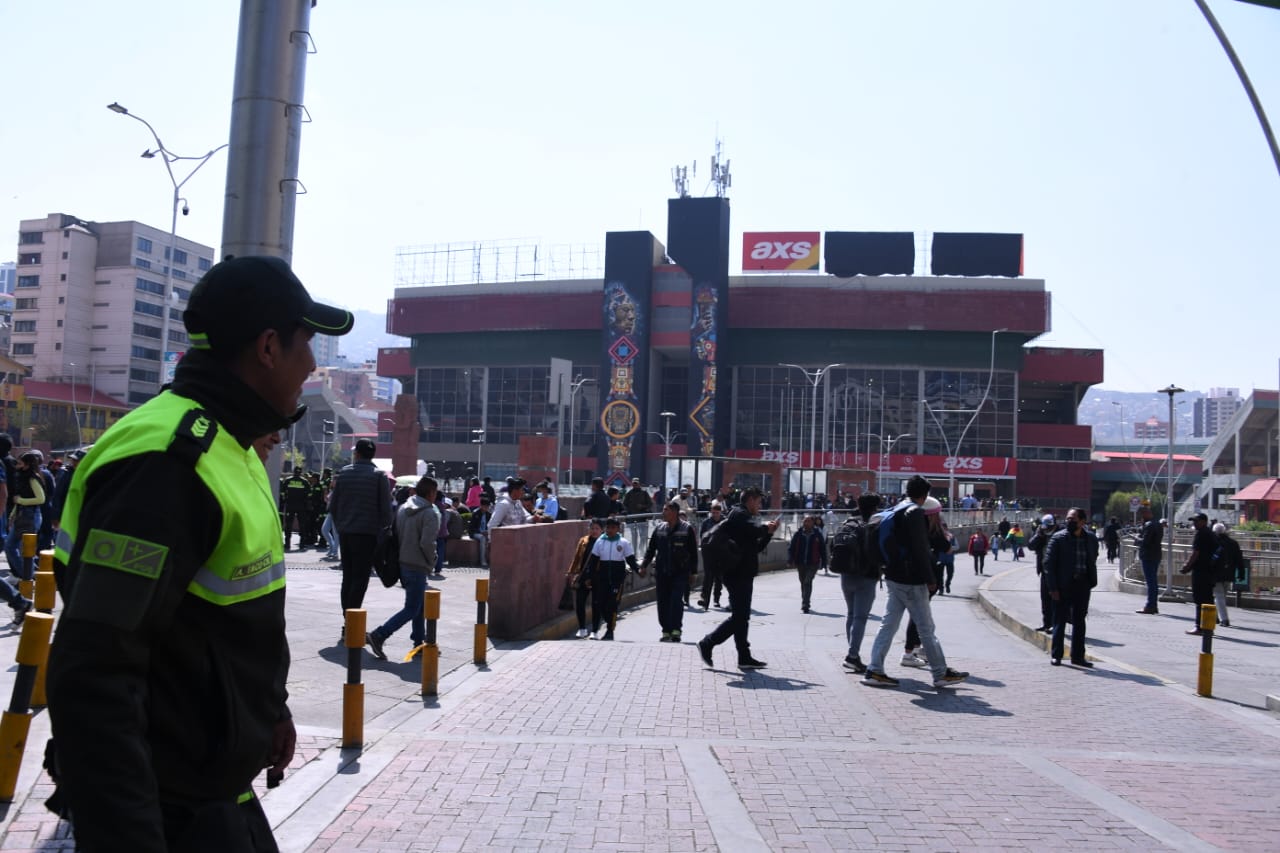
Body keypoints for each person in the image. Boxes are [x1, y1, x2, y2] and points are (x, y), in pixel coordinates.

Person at [46, 254, 354, 850]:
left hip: (218, 794)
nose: (312, 365)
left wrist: (270, 709)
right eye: (307, 343)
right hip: (168, 810)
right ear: (268, 347)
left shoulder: (229, 446)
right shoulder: (166, 463)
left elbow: (221, 621)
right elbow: (95, 672)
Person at [862, 476, 969, 689]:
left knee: (889, 624)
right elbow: (920, 550)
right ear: (924, 495)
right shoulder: (915, 513)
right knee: (926, 628)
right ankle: (940, 673)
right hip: (912, 580)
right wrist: (930, 579)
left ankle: (874, 669)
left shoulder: (896, 510)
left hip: (892, 576)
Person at [696, 486, 778, 669]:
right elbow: (755, 529)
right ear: (749, 500)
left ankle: (744, 656)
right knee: (740, 617)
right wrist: (765, 528)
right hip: (736, 573)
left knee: (742, 616)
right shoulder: (739, 515)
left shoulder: (745, 518)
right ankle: (707, 643)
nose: (760, 505)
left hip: (743, 572)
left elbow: (755, 547)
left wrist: (769, 534)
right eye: (758, 501)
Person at [365, 476, 441, 661]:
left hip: (403, 561)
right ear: (431, 493)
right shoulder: (429, 513)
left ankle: (418, 642)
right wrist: (433, 561)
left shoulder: (404, 508)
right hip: (418, 564)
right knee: (412, 608)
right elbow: (427, 543)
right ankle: (380, 634)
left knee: (419, 606)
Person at [328, 437, 393, 643]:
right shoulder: (379, 477)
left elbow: (333, 506)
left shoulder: (344, 474)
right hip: (367, 536)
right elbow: (386, 512)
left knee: (347, 577)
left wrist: (342, 526)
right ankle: (351, 624)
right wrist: (381, 532)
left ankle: (347, 621)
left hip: (346, 533)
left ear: (357, 454)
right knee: (360, 579)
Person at [1042, 506, 1099, 666]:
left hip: (1082, 585)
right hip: (1062, 586)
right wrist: (1052, 588)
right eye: (1068, 518)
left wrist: (1089, 581)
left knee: (1079, 621)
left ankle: (1078, 656)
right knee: (1059, 621)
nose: (1069, 521)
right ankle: (1057, 655)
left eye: (1072, 519)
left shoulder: (1091, 539)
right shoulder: (1058, 538)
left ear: (1082, 521)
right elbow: (1048, 564)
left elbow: (1093, 558)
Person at [640, 501, 699, 642]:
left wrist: (693, 572)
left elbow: (693, 552)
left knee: (675, 601)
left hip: (680, 572)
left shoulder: (687, 528)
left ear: (674, 512)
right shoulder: (660, 528)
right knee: (663, 602)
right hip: (662, 572)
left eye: (666, 510)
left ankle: (676, 630)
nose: (663, 512)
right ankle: (665, 630)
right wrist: (643, 565)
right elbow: (651, 549)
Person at [841, 493, 882, 674]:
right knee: (860, 618)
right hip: (867, 576)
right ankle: (852, 656)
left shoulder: (849, 523)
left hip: (846, 574)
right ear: (875, 508)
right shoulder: (875, 525)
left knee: (851, 614)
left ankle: (854, 655)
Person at [583, 516, 638, 640]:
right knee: (601, 604)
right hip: (602, 578)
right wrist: (589, 577)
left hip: (617, 579)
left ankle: (610, 630)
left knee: (612, 604)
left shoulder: (623, 542)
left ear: (618, 528)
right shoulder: (600, 541)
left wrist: (638, 570)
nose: (610, 530)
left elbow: (630, 559)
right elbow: (593, 561)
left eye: (613, 528)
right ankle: (609, 622)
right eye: (608, 527)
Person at [5, 450, 46, 583]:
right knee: (11, 546)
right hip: (22, 515)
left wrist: (21, 501)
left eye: (20, 463)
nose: (17, 465)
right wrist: (13, 514)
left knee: (24, 550)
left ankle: (27, 577)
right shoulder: (22, 476)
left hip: (31, 516)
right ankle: (27, 575)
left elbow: (41, 499)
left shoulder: (32, 478)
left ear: (27, 464)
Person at [1180, 512, 1217, 635]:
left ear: (1204, 521)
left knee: (1199, 599)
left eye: (1196, 521)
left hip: (1201, 571)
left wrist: (1187, 566)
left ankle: (1199, 627)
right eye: (1193, 521)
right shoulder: (1211, 534)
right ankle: (1208, 627)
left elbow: (1196, 553)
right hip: (1210, 571)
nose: (1194, 523)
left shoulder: (1201, 535)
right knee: (1208, 599)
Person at [566, 519, 603, 638]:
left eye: (597, 528)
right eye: (592, 528)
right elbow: (576, 558)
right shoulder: (583, 541)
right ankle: (582, 628)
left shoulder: (604, 542)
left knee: (596, 604)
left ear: (601, 530)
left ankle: (595, 630)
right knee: (580, 602)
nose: (594, 531)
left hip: (597, 576)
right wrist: (571, 571)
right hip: (583, 575)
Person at [1026, 514, 1059, 632]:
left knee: (1055, 599)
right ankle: (1046, 623)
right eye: (1045, 527)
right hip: (1045, 571)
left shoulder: (1061, 533)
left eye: (1049, 527)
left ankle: (1056, 625)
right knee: (1045, 599)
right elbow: (1030, 546)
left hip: (1058, 572)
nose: (1047, 530)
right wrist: (1038, 535)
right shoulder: (1041, 534)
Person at [788, 515, 827, 613]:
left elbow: (823, 549)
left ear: (813, 523)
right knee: (803, 582)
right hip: (800, 562)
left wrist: (824, 562)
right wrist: (790, 560)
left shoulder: (817, 534)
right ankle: (804, 600)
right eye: (805, 521)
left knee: (807, 581)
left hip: (813, 563)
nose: (806, 523)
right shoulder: (798, 534)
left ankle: (806, 603)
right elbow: (791, 547)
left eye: (809, 521)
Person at [1210, 522, 1243, 628]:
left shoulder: (1213, 543)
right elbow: (1239, 560)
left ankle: (1224, 619)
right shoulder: (1233, 543)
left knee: (1219, 596)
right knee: (1222, 595)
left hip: (1216, 573)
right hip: (1229, 573)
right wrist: (1241, 573)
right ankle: (1215, 617)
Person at [696, 501, 726, 609]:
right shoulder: (706, 523)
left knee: (719, 577)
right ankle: (705, 599)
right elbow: (702, 536)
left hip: (721, 553)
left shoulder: (725, 522)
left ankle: (716, 599)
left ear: (720, 512)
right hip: (708, 552)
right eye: (713, 513)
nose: (714, 515)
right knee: (708, 576)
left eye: (716, 513)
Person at [1135, 509, 1164, 615]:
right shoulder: (1158, 524)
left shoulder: (1149, 525)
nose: (1141, 517)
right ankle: (1153, 605)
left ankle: (1150, 605)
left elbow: (1146, 541)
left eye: (1142, 514)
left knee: (1151, 582)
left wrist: (1137, 538)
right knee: (1153, 581)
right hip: (1156, 555)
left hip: (1148, 555)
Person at [280, 465, 310, 551]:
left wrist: (285, 499)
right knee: (302, 525)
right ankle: (302, 544)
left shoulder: (288, 480)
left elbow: (282, 492)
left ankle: (287, 544)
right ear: (301, 473)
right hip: (301, 507)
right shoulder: (304, 482)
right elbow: (309, 495)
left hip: (290, 505)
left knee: (288, 525)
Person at [469, 495, 493, 567]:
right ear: (481, 506)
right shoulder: (475, 513)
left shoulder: (489, 514)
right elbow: (472, 527)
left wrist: (487, 531)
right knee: (482, 538)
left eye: (488, 507)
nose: (486, 508)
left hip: (485, 532)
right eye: (485, 506)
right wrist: (480, 532)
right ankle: (483, 560)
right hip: (475, 533)